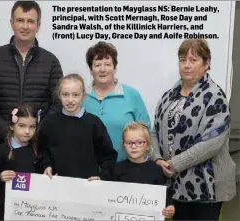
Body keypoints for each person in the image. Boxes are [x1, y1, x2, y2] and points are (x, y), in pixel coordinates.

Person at [151, 39, 236, 220]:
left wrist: (175, 164)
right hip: (175, 185)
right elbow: (154, 131)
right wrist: (158, 159)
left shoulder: (216, 97)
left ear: (207, 64)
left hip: (206, 188)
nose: (187, 65)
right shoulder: (168, 96)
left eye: (193, 60)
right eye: (183, 60)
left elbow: (211, 143)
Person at [0, 0, 63, 145]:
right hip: (0, 143)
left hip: (39, 144)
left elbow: (57, 103)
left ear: (38, 26)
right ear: (12, 23)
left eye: (30, 21)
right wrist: (6, 132)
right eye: (20, 20)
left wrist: (35, 131)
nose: (25, 26)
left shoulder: (51, 61)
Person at [38, 73, 118, 181]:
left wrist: (103, 176)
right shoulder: (49, 122)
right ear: (59, 95)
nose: (70, 100)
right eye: (65, 94)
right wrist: (46, 165)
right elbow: (42, 150)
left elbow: (108, 155)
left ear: (83, 96)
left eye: (75, 95)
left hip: (87, 187)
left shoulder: (94, 123)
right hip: (57, 185)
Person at [82, 41, 151, 162]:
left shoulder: (132, 95)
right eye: (97, 65)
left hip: (126, 171)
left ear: (115, 67)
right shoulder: (81, 97)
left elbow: (146, 132)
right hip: (90, 172)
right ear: (90, 70)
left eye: (107, 64)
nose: (102, 69)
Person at [0, 104, 40, 220]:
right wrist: (0, 177)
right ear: (12, 125)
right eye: (22, 126)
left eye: (32, 127)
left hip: (30, 210)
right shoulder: (1, 150)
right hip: (4, 210)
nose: (27, 131)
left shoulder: (37, 150)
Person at [114, 122, 175, 220]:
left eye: (139, 142)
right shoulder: (117, 168)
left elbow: (163, 195)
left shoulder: (156, 169)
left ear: (147, 145)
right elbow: (108, 194)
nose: (134, 146)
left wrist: (170, 207)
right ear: (123, 145)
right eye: (129, 142)